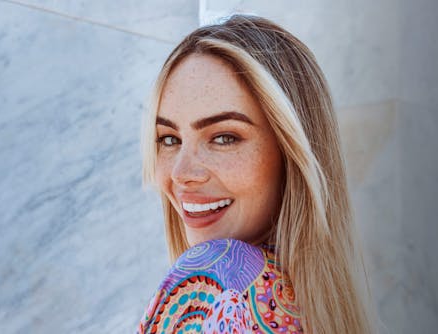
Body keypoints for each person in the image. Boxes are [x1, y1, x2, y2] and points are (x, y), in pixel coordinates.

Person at [135, 15, 373, 334]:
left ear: (290, 151)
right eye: (169, 139)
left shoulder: (210, 281)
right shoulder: (319, 309)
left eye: (224, 137)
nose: (181, 173)